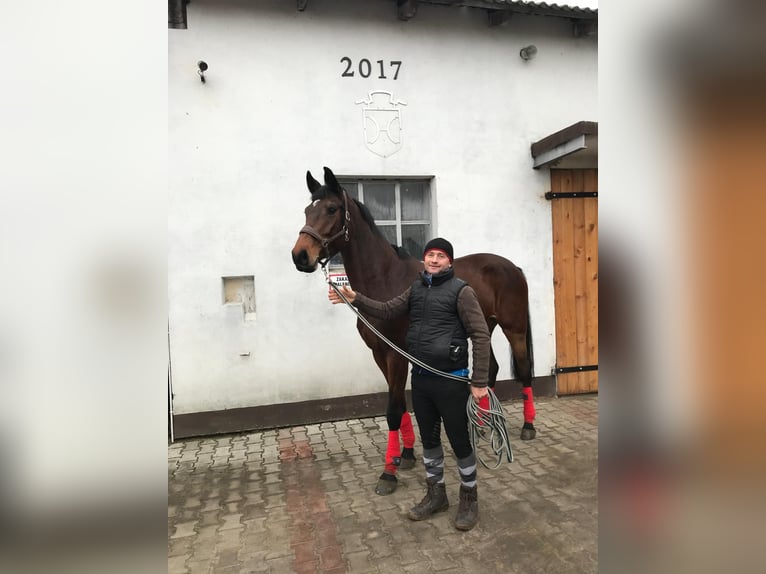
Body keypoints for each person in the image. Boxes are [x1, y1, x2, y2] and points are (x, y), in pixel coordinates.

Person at [329, 237, 490, 531]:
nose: (435, 260)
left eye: (441, 256)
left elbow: (480, 335)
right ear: (425, 259)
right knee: (429, 441)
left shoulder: (462, 292)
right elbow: (388, 309)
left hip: (451, 380)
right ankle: (436, 494)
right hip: (422, 380)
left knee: (460, 442)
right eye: (431, 255)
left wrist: (479, 380)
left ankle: (469, 498)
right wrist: (356, 299)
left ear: (449, 262)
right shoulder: (416, 288)